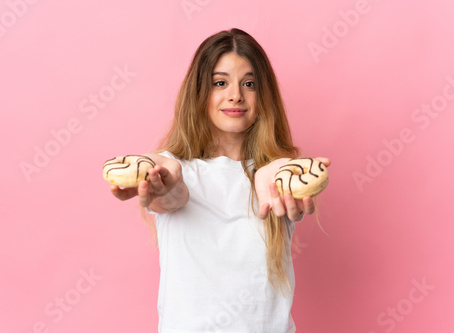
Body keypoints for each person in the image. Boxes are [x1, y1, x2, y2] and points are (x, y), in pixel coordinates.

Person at [110, 28, 330, 333]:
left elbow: (278, 171)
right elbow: (171, 191)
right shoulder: (175, 171)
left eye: (249, 84)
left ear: (263, 95)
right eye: (220, 83)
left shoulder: (281, 177)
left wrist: (276, 173)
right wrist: (161, 181)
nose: (236, 94)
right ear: (199, 92)